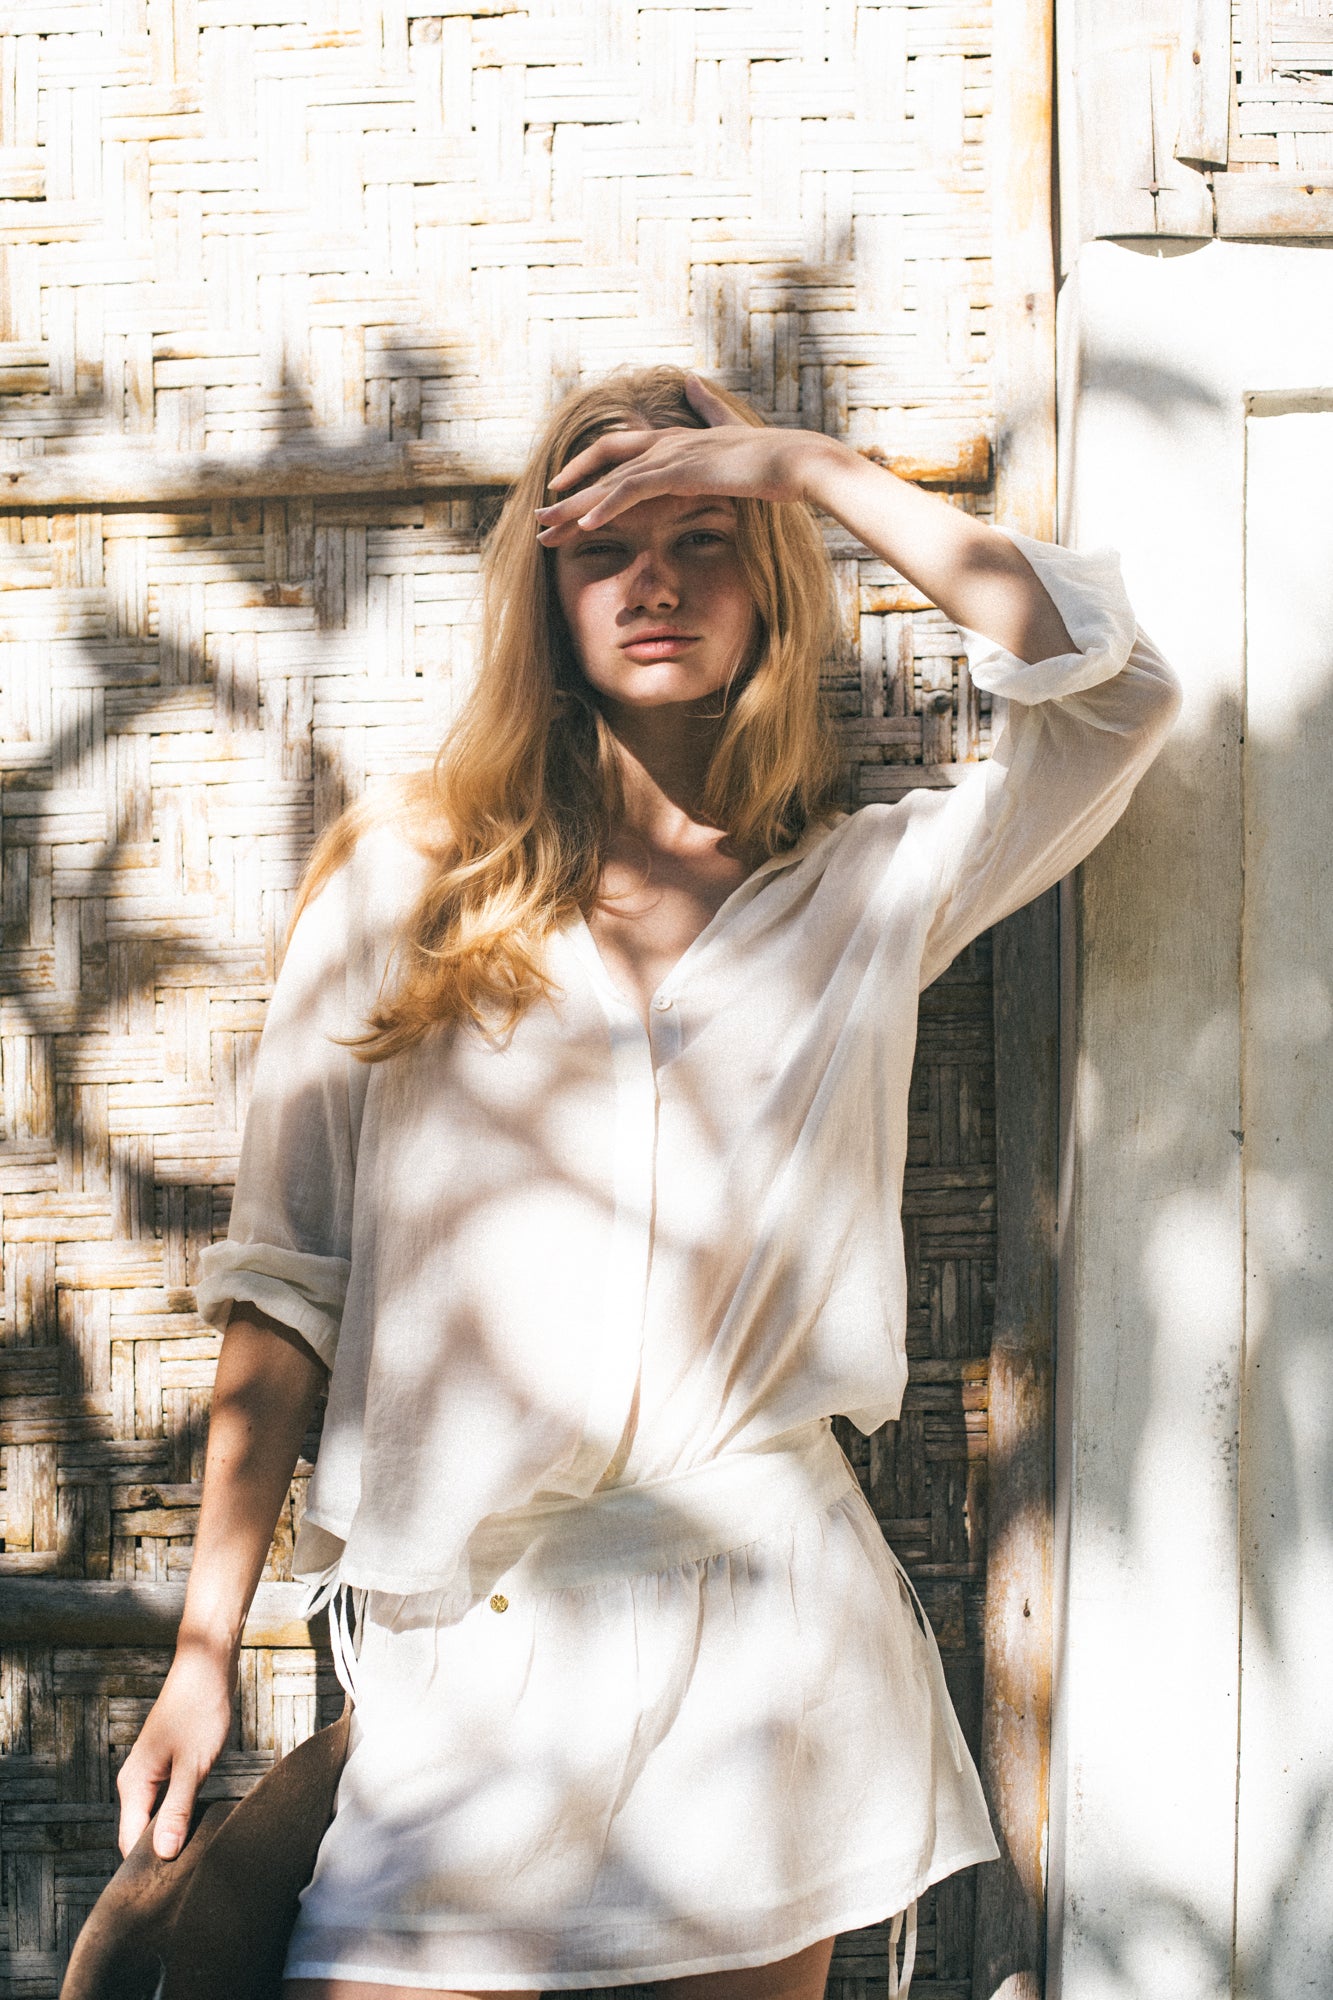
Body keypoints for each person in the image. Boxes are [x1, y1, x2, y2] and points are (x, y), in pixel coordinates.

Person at [114, 367, 1182, 2000]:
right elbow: (283, 1289)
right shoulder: (401, 883)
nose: (658, 581)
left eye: (705, 537)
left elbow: (1111, 696)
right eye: (605, 543)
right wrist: (204, 1653)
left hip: (761, 1667)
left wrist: (807, 466)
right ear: (542, 593)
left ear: (770, 584)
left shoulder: (865, 893)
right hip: (465, 1669)